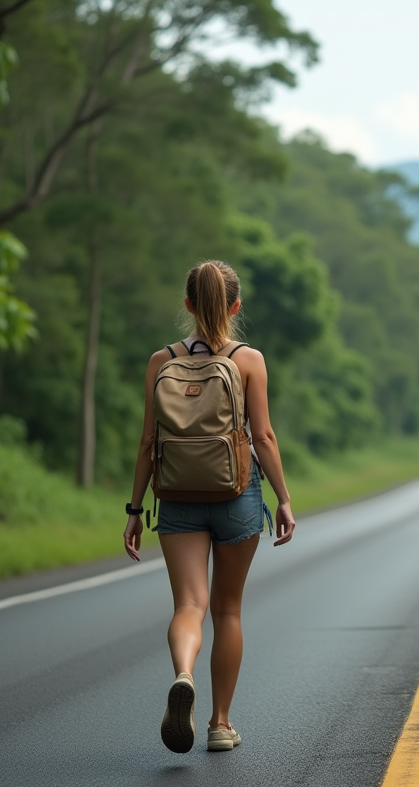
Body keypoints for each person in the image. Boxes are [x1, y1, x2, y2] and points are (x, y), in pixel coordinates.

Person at [122, 260, 295, 754]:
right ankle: (220, 724)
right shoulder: (249, 360)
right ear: (235, 306)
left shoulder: (161, 361)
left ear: (188, 305)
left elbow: (147, 442)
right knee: (229, 610)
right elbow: (261, 436)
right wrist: (282, 498)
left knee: (190, 606)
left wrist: (135, 510)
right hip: (237, 494)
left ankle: (183, 674)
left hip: (175, 494)